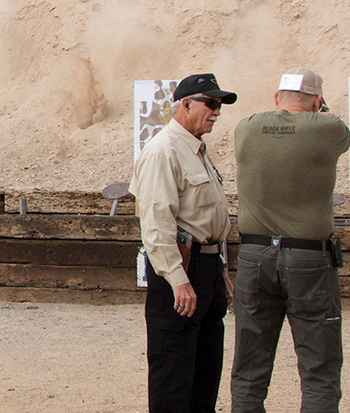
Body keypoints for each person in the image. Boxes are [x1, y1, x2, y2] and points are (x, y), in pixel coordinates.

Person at [230, 67, 350, 413]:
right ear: (317, 100)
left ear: (276, 97)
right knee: (318, 368)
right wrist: (320, 110)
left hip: (254, 255)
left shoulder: (246, 128)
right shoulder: (327, 127)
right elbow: (340, 135)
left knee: (250, 367)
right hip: (308, 257)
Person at [129, 73, 237, 413]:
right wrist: (178, 280)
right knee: (173, 375)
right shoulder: (164, 151)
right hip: (181, 270)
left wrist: (219, 269)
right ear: (186, 104)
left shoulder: (195, 149)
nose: (216, 112)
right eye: (211, 103)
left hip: (204, 266)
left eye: (219, 105)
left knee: (204, 375)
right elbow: (157, 225)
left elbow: (206, 219)